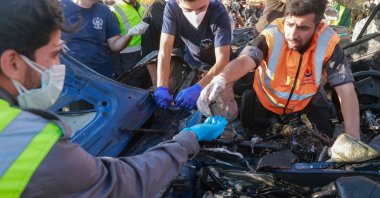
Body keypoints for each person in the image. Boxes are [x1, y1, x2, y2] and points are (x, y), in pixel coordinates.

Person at [0, 0, 227, 197]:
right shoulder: (31, 142)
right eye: (54, 54)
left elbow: (222, 59)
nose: (59, 66)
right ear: (12, 63)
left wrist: (196, 86)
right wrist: (188, 138)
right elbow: (123, 184)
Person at [197, 0, 361, 140]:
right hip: (265, 101)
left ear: (318, 27)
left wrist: (353, 138)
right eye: (290, 24)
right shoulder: (271, 35)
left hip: (305, 102)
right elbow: (244, 60)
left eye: (303, 28)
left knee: (325, 135)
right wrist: (222, 78)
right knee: (250, 133)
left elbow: (346, 89)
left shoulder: (329, 42)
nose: (292, 34)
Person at [154, 0, 237, 121]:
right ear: (178, 2)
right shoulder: (172, 8)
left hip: (221, 66)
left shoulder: (218, 11)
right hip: (195, 61)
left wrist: (199, 88)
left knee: (225, 111)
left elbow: (223, 60)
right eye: (188, 10)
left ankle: (227, 134)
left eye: (201, 8)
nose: (195, 14)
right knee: (192, 111)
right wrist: (161, 86)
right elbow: (164, 50)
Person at [61, 0, 148, 78]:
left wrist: (129, 34)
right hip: (70, 74)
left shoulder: (105, 11)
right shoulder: (61, 7)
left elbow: (114, 45)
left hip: (101, 75)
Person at [111, 0, 148, 74]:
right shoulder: (114, 11)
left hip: (147, 56)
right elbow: (113, 44)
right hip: (128, 61)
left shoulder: (143, 6)